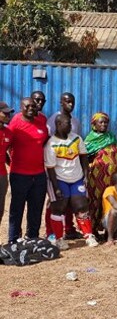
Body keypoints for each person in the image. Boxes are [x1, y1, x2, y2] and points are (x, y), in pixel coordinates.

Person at [44, 114, 96, 249]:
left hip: (77, 178)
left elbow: (84, 157)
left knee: (81, 206)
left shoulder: (77, 139)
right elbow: (50, 169)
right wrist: (56, 188)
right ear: (59, 125)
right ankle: (59, 238)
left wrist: (85, 175)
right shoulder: (51, 144)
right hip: (59, 179)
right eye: (67, 123)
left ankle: (88, 235)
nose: (70, 126)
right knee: (58, 208)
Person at [7, 97, 50, 242]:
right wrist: (11, 162)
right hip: (19, 175)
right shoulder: (15, 124)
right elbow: (5, 146)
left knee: (36, 208)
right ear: (21, 108)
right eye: (27, 106)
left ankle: (32, 237)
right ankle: (13, 239)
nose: (31, 108)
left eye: (33, 106)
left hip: (39, 174)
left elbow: (44, 141)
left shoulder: (42, 121)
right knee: (17, 209)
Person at [0, 102, 12, 232]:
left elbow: (6, 152)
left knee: (0, 209)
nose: (8, 115)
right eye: (5, 113)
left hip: (2, 175)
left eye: (9, 113)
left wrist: (10, 164)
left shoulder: (8, 132)